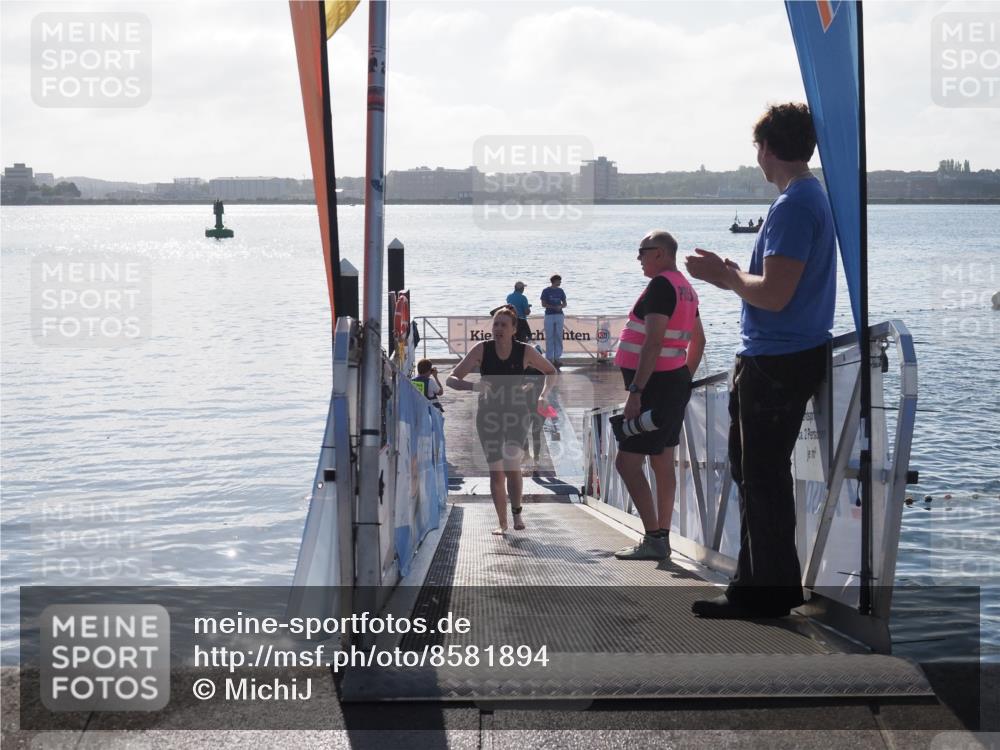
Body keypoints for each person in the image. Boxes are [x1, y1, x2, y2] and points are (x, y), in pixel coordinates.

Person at [685, 102, 836, 619]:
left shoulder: (795, 205)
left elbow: (773, 295)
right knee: (757, 474)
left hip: (777, 359)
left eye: (757, 147)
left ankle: (763, 594)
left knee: (762, 476)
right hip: (788, 353)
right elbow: (779, 287)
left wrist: (723, 277)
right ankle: (760, 587)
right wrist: (732, 272)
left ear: (768, 148)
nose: (757, 157)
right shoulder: (810, 198)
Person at [610, 231, 705, 560]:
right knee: (662, 460)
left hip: (653, 386)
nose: (638, 258)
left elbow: (652, 341)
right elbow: (699, 342)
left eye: (642, 252)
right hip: (672, 382)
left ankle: (653, 538)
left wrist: (636, 391)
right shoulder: (686, 288)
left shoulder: (661, 286)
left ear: (661, 254)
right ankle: (661, 536)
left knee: (626, 462)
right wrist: (683, 380)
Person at [447, 306, 557, 534]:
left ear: (514, 329)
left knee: (512, 466)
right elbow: (451, 379)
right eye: (496, 324)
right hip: (489, 415)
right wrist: (473, 385)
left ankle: (517, 513)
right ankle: (502, 523)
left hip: (516, 414)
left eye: (504, 325)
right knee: (496, 472)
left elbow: (551, 371)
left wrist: (543, 395)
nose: (498, 329)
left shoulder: (525, 351)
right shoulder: (481, 349)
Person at [540, 274, 567, 365]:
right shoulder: (546, 291)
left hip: (559, 315)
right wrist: (553, 307)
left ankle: (557, 358)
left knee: (558, 336)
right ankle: (549, 358)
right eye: (559, 280)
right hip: (549, 315)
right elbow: (543, 304)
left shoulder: (561, 291)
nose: (560, 282)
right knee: (549, 337)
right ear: (554, 281)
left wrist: (561, 306)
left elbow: (565, 303)